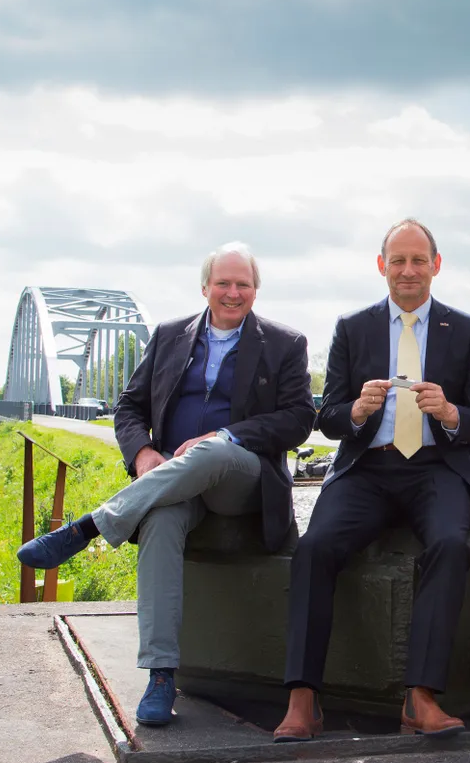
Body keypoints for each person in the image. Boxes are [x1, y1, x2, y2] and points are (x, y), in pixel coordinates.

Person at [16, 242, 316, 727]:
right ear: (205, 288)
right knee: (158, 522)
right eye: (223, 283)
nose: (232, 293)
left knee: (213, 450)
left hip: (240, 478)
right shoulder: (171, 335)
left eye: (243, 284)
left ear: (256, 291)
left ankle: (91, 526)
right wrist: (142, 453)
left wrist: (225, 434)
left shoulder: (285, 344)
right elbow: (130, 406)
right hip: (173, 483)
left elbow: (300, 419)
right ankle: (160, 675)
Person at [275, 219, 470, 742]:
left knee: (449, 544)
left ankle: (421, 697)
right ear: (382, 266)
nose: (408, 270)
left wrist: (450, 414)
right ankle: (302, 697)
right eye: (398, 260)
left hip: (437, 469)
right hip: (367, 470)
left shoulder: (465, 329)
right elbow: (325, 417)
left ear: (436, 266)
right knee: (315, 547)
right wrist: (355, 411)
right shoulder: (353, 327)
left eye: (419, 260)